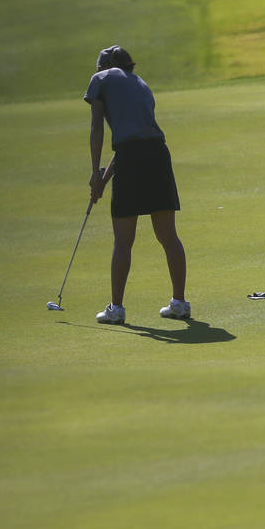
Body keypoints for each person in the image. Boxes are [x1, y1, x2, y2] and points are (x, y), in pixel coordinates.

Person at [85, 45, 189, 325]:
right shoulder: (140, 84)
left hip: (132, 159)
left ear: (103, 67)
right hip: (157, 155)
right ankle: (179, 303)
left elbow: (97, 128)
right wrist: (104, 181)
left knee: (123, 240)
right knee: (168, 236)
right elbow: (133, 141)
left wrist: (95, 172)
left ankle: (116, 309)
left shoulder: (101, 79)